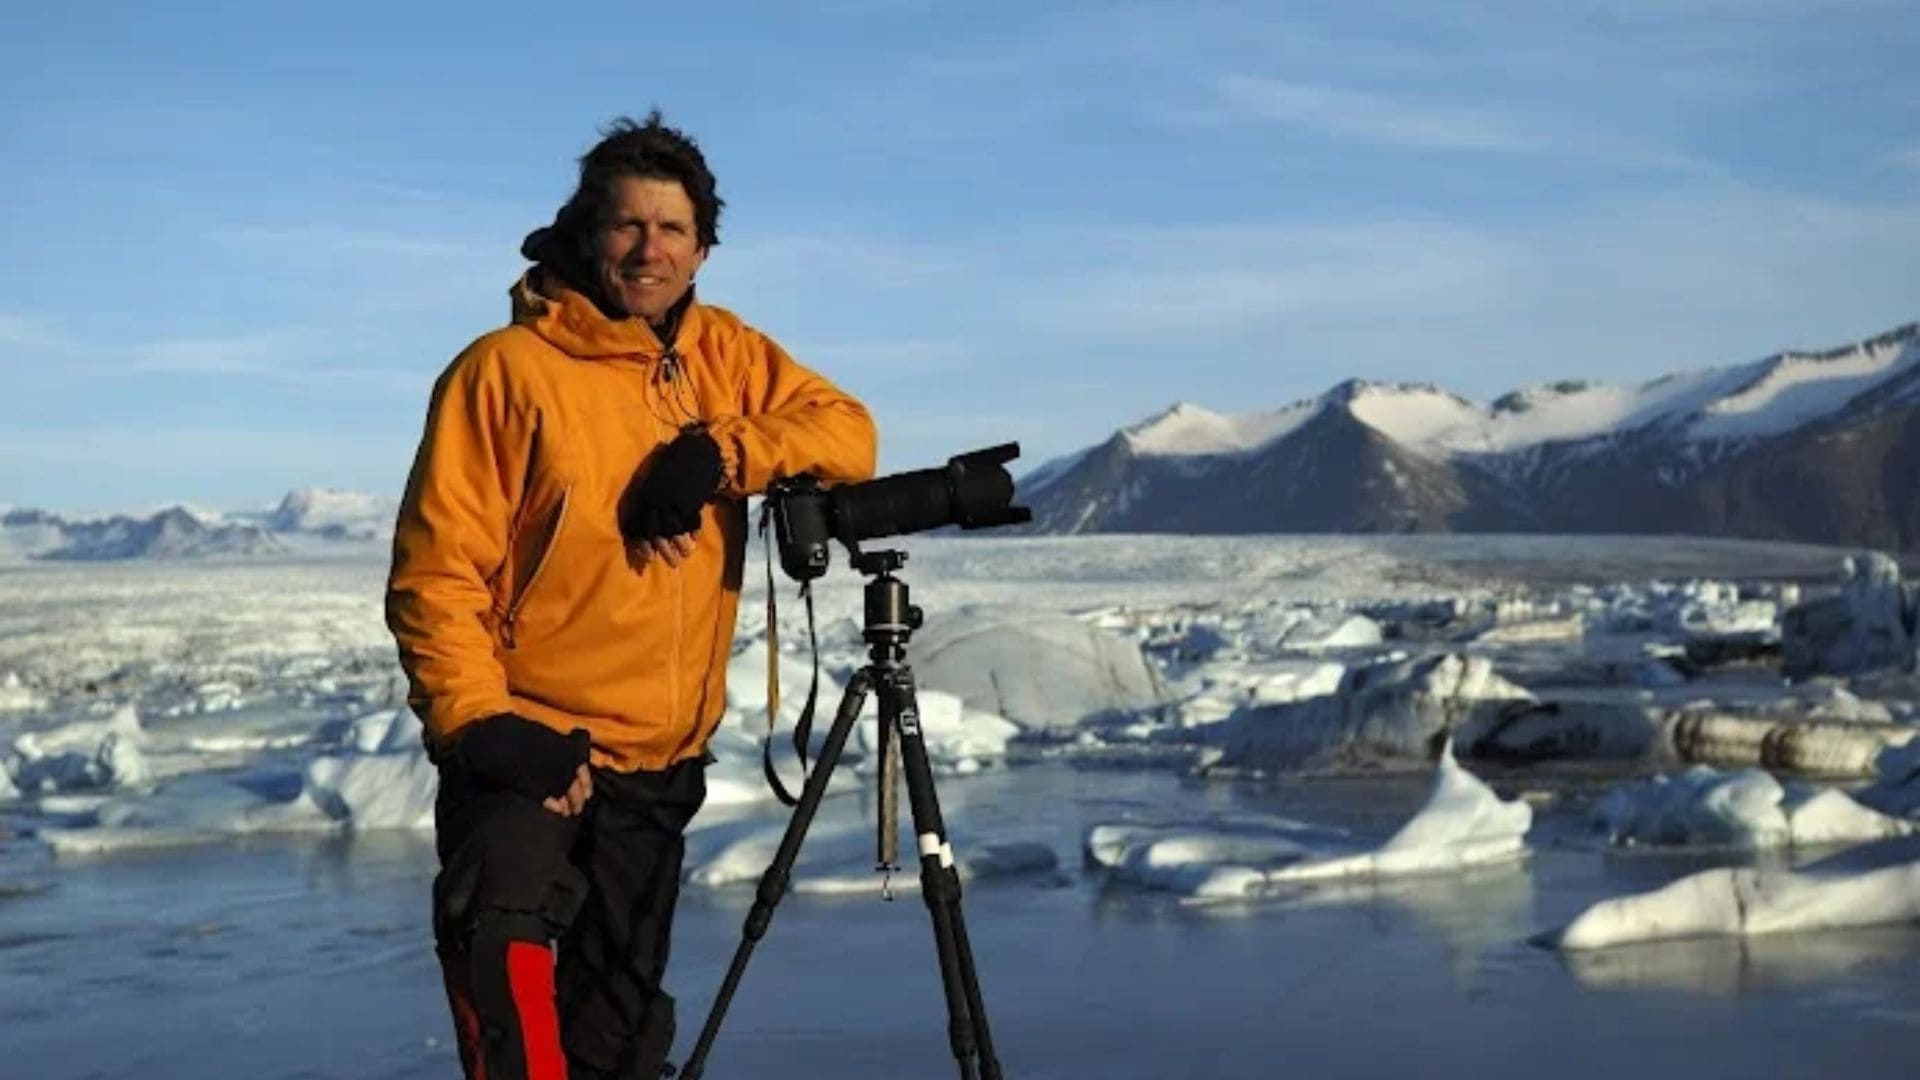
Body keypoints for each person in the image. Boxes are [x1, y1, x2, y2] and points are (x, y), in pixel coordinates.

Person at [386, 110, 877, 1079]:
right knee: (511, 993)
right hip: (533, 749)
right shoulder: (506, 370)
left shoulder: (726, 357)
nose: (648, 249)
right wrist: (479, 723)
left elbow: (846, 433)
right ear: (583, 230)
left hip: (659, 759)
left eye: (673, 230)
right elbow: (438, 571)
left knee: (617, 1031)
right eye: (625, 225)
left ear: (702, 249)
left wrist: (718, 452)